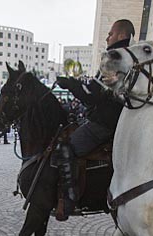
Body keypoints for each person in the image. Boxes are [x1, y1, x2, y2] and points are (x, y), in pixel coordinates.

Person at [54, 19, 136, 221]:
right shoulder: (129, 58)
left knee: (67, 147)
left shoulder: (114, 57)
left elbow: (91, 94)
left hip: (105, 122)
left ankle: (70, 198)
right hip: (118, 119)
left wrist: (69, 84)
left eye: (110, 33)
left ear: (121, 35)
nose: (107, 37)